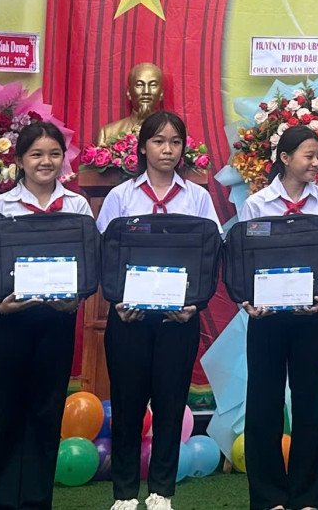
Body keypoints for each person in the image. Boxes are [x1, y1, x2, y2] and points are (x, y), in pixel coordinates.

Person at [96, 110, 222, 510]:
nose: (167, 150)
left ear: (183, 149)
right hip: (128, 319)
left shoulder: (197, 197)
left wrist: (195, 306)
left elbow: (211, 255)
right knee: (128, 407)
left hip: (178, 319)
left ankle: (161, 491)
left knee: (170, 405)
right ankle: (124, 493)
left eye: (175, 142)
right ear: (142, 147)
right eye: (158, 141)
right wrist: (117, 302)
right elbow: (105, 255)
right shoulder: (121, 196)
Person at [0, 121, 94, 510]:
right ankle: (4, 502)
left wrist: (76, 299)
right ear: (20, 160)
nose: (46, 162)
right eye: (37, 154)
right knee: (6, 412)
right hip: (9, 321)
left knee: (46, 413)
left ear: (63, 159)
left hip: (57, 322)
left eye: (54, 154)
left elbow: (87, 265)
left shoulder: (77, 206)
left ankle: (37, 501)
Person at [239, 126, 318, 510]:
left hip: (309, 318)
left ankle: (308, 495)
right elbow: (243, 261)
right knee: (263, 404)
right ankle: (268, 497)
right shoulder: (257, 204)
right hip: (265, 318)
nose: (316, 163)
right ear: (285, 158)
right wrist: (248, 302)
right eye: (308, 156)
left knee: (309, 404)